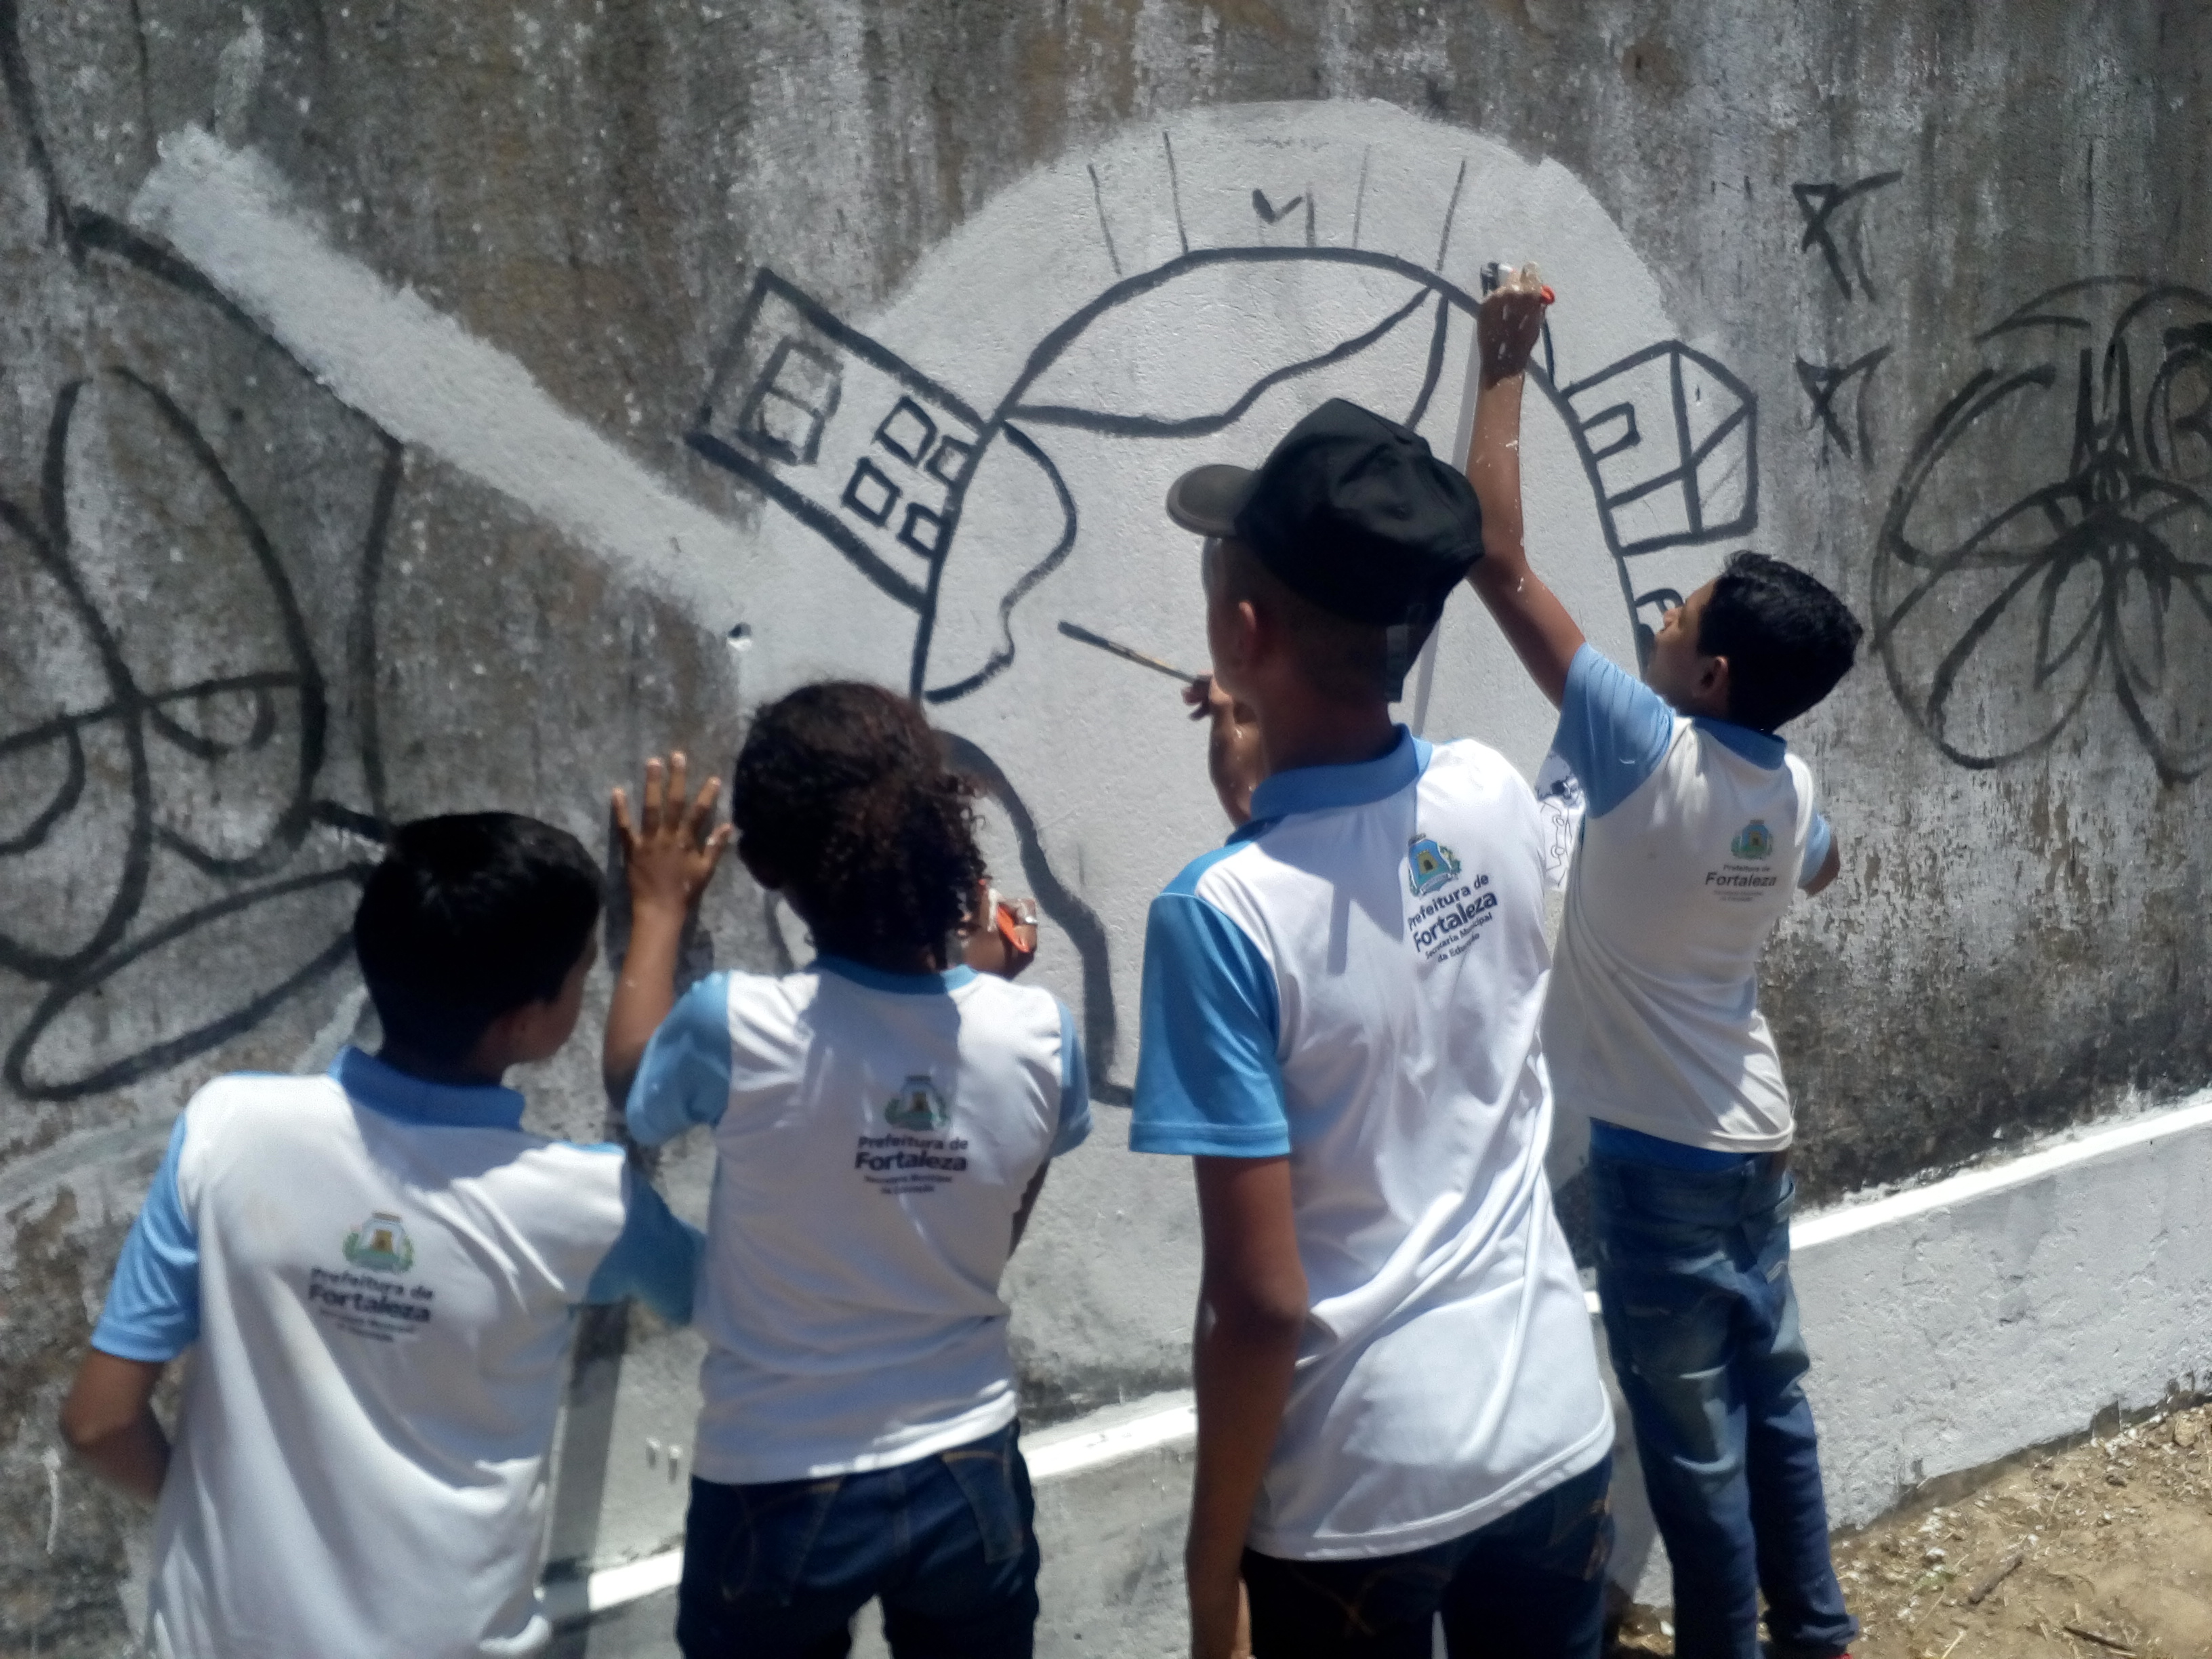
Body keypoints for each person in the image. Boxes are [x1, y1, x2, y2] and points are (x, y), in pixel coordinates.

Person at [1138, 396, 1618, 1659]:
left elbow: (1255, 1301)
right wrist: (1268, 813)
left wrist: (1206, 1578)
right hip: (1553, 1428)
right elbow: (1386, 931)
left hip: (1355, 1491)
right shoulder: (1492, 791)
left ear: (1240, 635)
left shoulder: (1216, 915)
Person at [1462, 272, 1862, 1659]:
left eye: (1681, 616)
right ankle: (1815, 1631)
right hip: (1756, 1136)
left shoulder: (1652, 751)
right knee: (1781, 1408)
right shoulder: (1791, 786)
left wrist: (1501, 361)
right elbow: (1822, 865)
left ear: (1708, 674)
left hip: (1667, 1158)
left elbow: (1497, 561)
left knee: (1696, 1452)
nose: (1661, 615)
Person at [58, 812, 703, 1659]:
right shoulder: (585, 1204)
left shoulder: (227, 1130)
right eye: (582, 969)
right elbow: (728, 1291)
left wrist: (223, 1511)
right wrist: (657, 915)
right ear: (524, 1021)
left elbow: (98, 1424)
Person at [603, 693, 1089, 1659]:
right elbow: (1010, 1170)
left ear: (764, 865)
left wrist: (658, 911)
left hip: (777, 1480)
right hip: (969, 1464)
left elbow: (635, 1089)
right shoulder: (1038, 1036)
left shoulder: (735, 1026)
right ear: (946, 835)